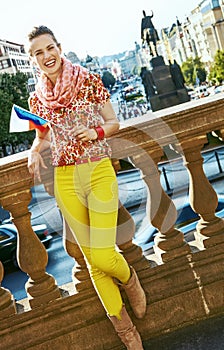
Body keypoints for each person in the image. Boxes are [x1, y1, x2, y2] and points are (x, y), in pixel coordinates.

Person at [26, 25, 146, 349]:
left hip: (98, 171)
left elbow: (113, 121)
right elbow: (42, 136)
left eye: (50, 48)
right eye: (39, 52)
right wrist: (34, 151)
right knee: (93, 263)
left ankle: (129, 279)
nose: (47, 56)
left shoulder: (87, 79)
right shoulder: (36, 99)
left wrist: (95, 133)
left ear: (59, 47)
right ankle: (128, 334)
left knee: (104, 255)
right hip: (65, 179)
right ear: (33, 59)